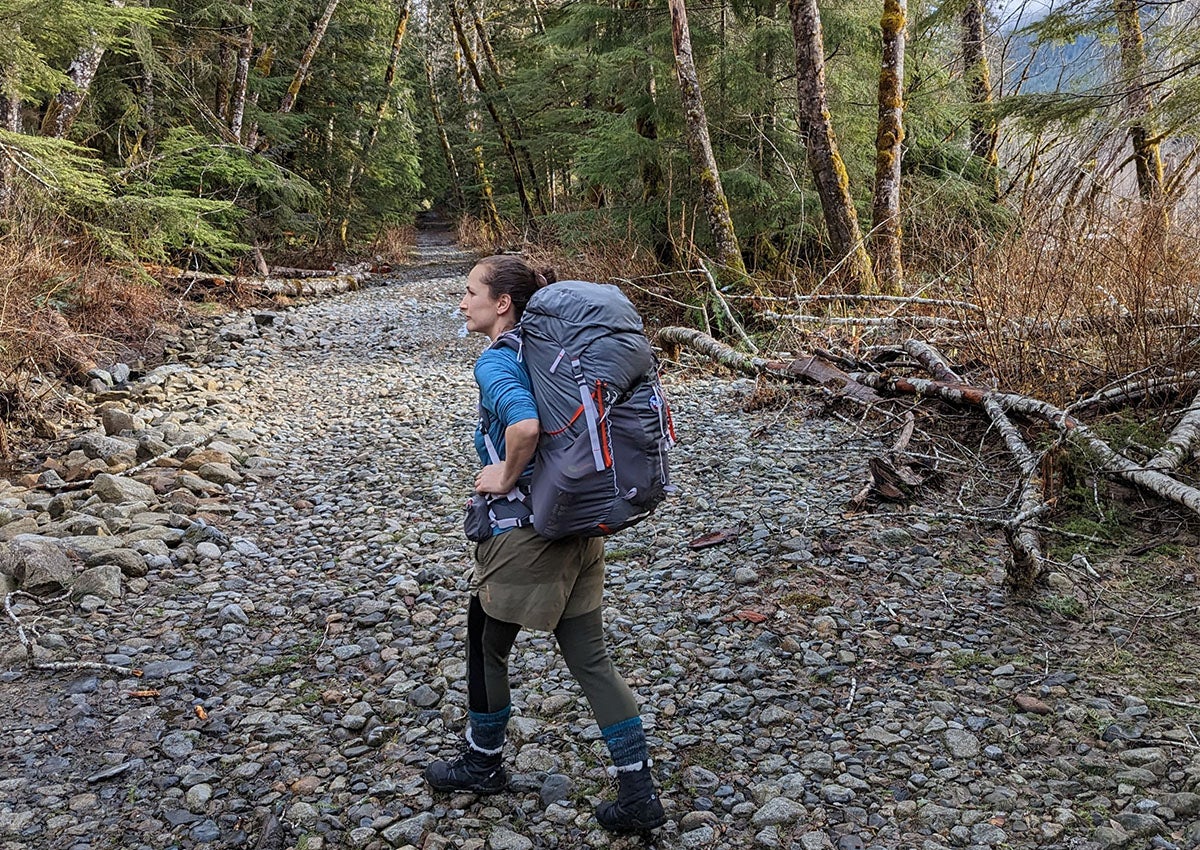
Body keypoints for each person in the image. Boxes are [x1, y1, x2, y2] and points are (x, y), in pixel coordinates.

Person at [423, 254, 665, 834]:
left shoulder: (498, 361)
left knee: (486, 647)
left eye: (471, 291)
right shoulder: (552, 354)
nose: (463, 302)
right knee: (591, 659)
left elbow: (525, 427)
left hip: (524, 536)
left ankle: (482, 763)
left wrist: (504, 475)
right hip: (579, 523)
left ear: (502, 303)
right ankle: (638, 791)